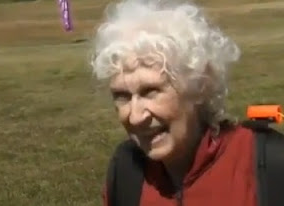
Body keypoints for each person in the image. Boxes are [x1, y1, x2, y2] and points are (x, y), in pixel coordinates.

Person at [90, 0, 284, 206]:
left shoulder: (266, 164)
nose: (135, 116)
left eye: (150, 91)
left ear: (200, 84)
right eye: (122, 96)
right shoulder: (127, 172)